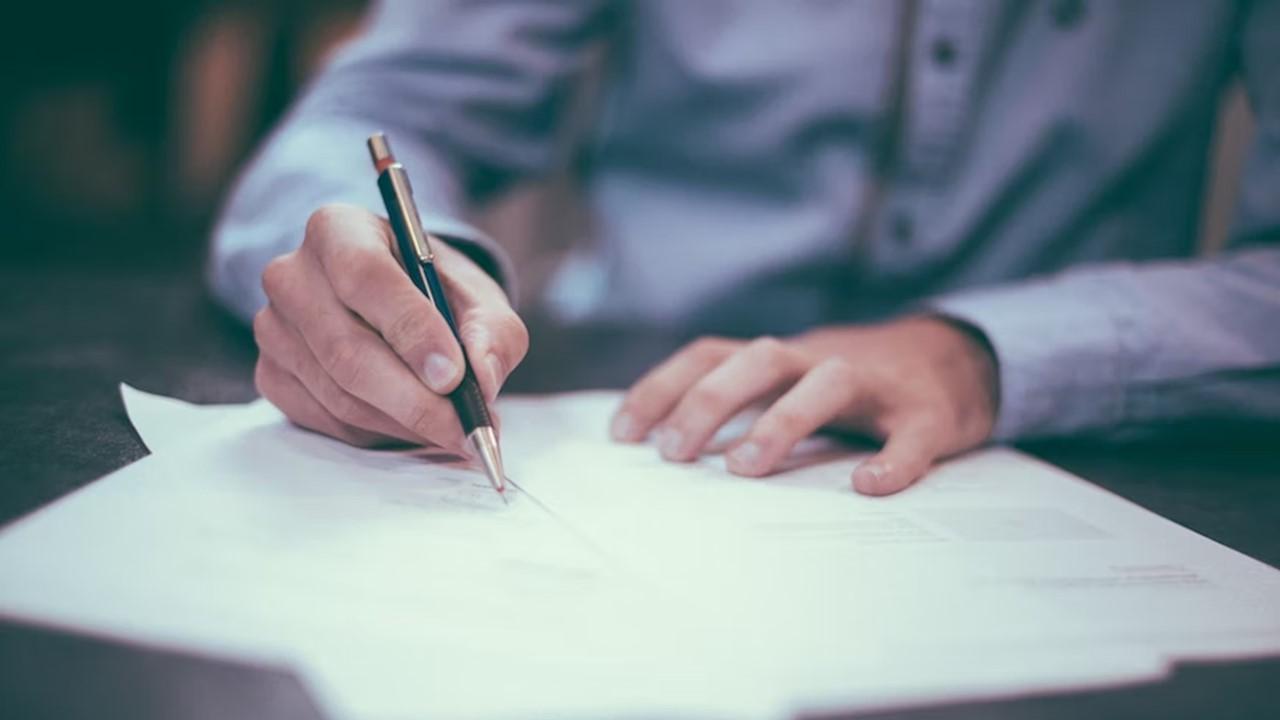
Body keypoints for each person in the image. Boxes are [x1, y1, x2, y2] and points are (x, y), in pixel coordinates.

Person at [210, 1, 1280, 496]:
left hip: (1093, 456)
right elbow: (378, 109)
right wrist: (393, 275)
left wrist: (984, 351)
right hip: (632, 416)